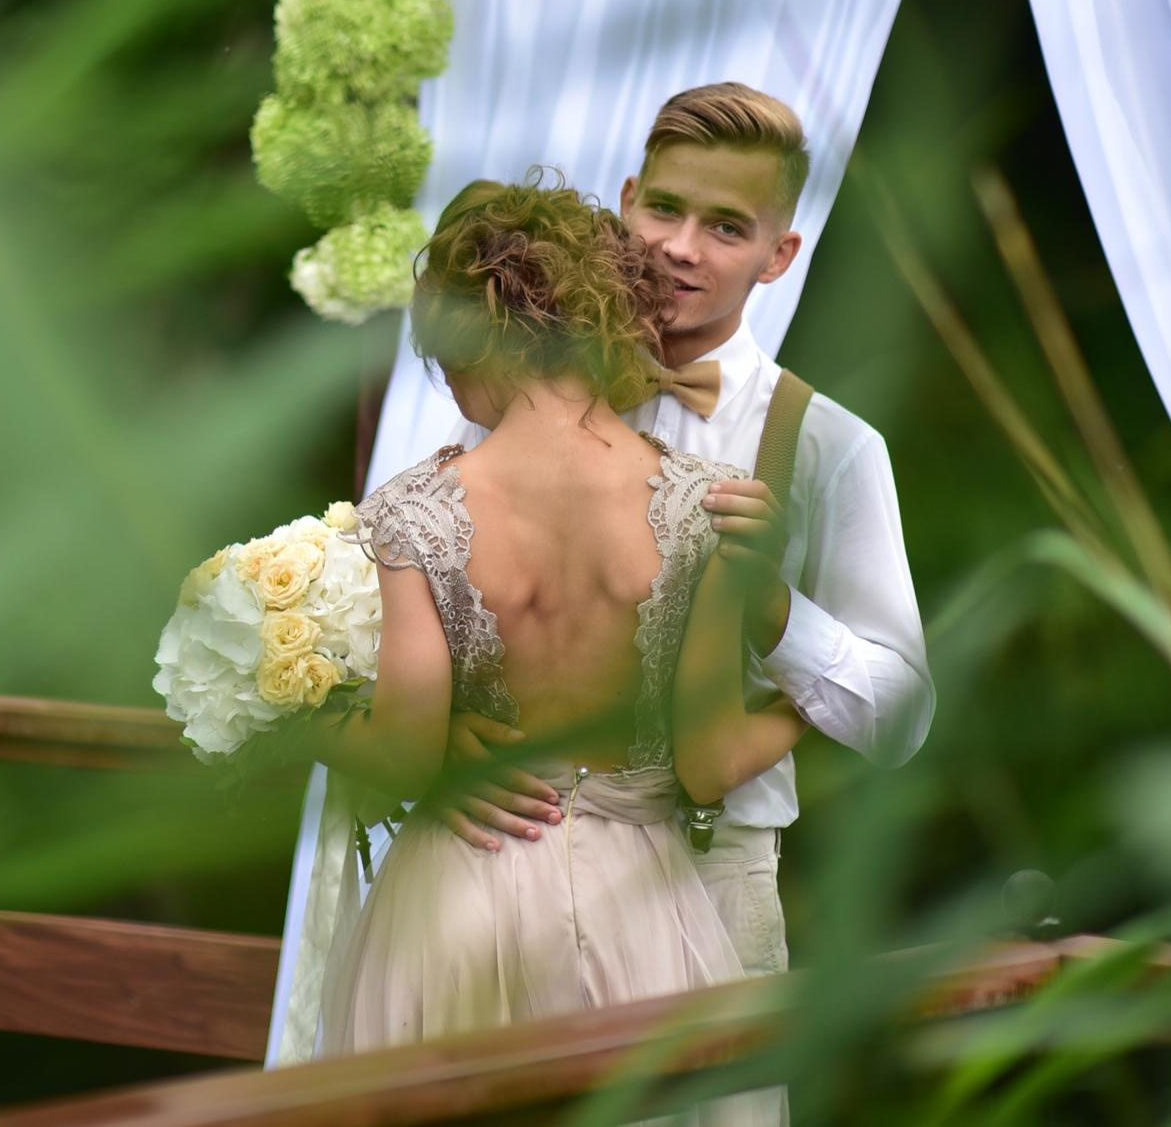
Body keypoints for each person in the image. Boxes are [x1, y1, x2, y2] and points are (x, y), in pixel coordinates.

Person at [306, 176, 801, 1109]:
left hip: (457, 898)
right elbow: (705, 763)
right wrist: (810, 702)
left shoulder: (413, 512)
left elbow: (407, 748)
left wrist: (312, 722)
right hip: (638, 907)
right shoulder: (708, 506)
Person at [430, 83, 933, 984]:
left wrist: (775, 611)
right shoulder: (506, 391)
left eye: (726, 227)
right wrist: (440, 730)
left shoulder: (828, 446)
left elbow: (900, 715)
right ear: (627, 200)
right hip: (516, 873)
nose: (678, 247)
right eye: (663, 207)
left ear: (778, 255)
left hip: (713, 878)